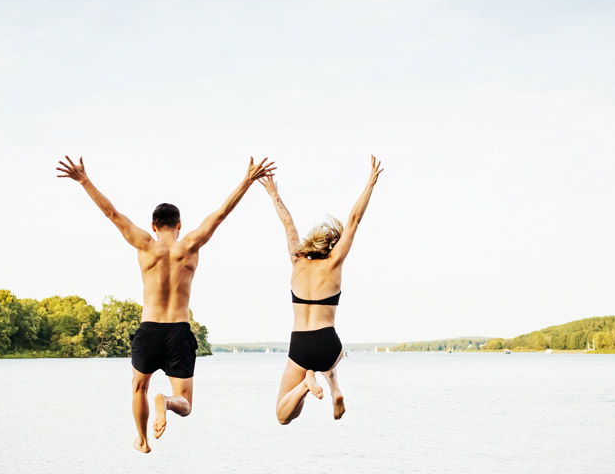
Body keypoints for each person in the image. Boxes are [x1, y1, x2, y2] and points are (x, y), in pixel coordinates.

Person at [57, 154, 275, 452]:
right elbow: (221, 214)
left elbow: (112, 213)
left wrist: (84, 180)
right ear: (180, 225)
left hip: (149, 330)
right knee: (185, 404)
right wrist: (247, 181)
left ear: (153, 224)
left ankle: (143, 440)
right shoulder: (190, 244)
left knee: (139, 387)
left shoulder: (145, 244)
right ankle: (167, 402)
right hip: (179, 332)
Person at [259, 156, 383, 425]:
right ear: (331, 246)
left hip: (300, 343)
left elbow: (288, 223)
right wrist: (370, 183)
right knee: (335, 355)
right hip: (329, 342)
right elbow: (354, 220)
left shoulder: (296, 260)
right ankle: (334, 387)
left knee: (284, 415)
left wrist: (273, 193)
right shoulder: (334, 263)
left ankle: (306, 385)